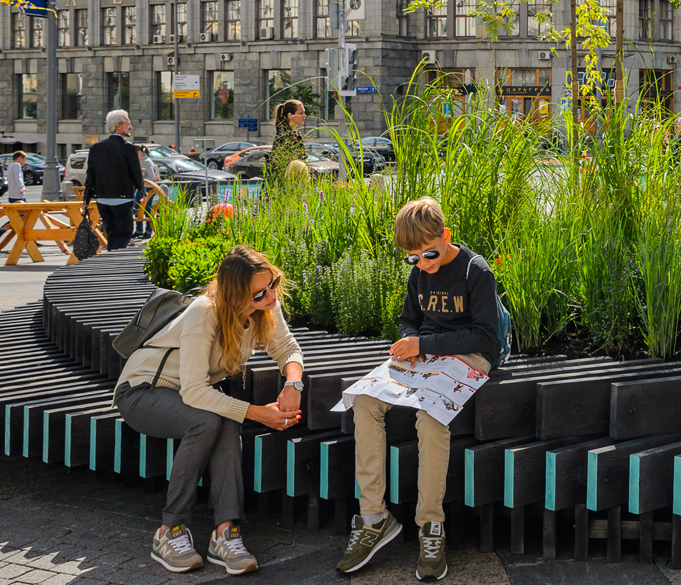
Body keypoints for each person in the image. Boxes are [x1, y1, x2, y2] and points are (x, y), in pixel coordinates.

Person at [337, 197, 500, 580]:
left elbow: (486, 337)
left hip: (471, 356)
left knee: (431, 416)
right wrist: (410, 343)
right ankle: (373, 517)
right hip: (425, 357)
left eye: (428, 254)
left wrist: (423, 345)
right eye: (412, 259)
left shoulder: (475, 271)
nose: (422, 264)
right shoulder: (420, 272)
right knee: (364, 400)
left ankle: (431, 526)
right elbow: (408, 319)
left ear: (445, 236)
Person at [115, 246, 303, 575]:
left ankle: (225, 533)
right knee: (207, 420)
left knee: (227, 421)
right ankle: (169, 530)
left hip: (187, 397)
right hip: (142, 392)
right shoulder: (205, 312)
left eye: (273, 283)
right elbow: (193, 389)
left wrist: (293, 386)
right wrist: (260, 413)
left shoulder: (265, 305)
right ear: (236, 296)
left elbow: (286, 347)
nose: (271, 294)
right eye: (259, 293)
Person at [83, 110, 144, 251]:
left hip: (102, 200)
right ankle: (116, 264)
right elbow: (136, 174)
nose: (130, 127)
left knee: (111, 234)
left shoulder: (96, 148)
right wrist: (142, 191)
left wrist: (86, 200)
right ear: (119, 126)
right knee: (124, 234)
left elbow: (90, 176)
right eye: (128, 124)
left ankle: (111, 262)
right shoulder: (128, 148)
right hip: (122, 199)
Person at [0, 151, 28, 249]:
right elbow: (18, 178)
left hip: (13, 195)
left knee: (18, 220)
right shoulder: (17, 165)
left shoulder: (10, 166)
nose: (24, 162)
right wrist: (22, 187)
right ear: (20, 157)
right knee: (26, 218)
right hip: (19, 196)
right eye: (24, 159)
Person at [266, 100, 307, 183]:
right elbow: (281, 167)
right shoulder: (285, 136)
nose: (304, 116)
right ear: (290, 115)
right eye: (300, 113)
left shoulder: (295, 135)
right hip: (286, 184)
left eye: (304, 113)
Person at [134, 146, 158, 240]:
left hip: (148, 188)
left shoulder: (146, 161)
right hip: (141, 188)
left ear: (139, 152)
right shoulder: (140, 160)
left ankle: (148, 231)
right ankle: (139, 230)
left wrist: (140, 180)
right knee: (136, 208)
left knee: (147, 209)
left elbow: (151, 177)